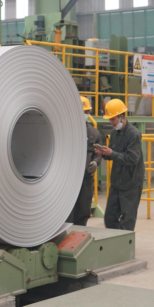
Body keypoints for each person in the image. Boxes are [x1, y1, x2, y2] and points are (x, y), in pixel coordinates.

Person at [94, 99, 144, 231]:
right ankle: (117, 238)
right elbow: (113, 153)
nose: (111, 122)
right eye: (109, 119)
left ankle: (124, 242)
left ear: (121, 116)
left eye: (113, 119)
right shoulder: (114, 133)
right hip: (117, 183)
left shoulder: (134, 134)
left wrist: (112, 153)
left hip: (131, 184)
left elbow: (133, 158)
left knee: (127, 220)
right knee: (109, 217)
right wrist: (103, 153)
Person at [67, 96, 104, 227]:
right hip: (69, 179)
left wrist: (95, 162)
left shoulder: (94, 132)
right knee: (68, 210)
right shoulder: (67, 130)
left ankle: (80, 232)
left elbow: (98, 153)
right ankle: (67, 232)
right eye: (83, 111)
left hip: (86, 178)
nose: (85, 114)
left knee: (84, 208)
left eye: (87, 112)